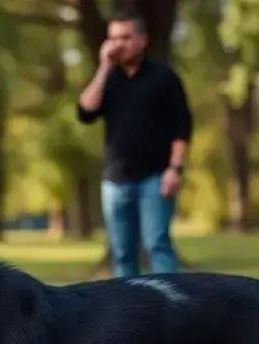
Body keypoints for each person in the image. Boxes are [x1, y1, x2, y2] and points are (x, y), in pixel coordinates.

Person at [77, 9, 192, 277]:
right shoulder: (108, 79)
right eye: (114, 38)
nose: (119, 44)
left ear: (143, 40)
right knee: (122, 252)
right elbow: (84, 112)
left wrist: (174, 169)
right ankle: (128, 316)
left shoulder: (164, 77)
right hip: (115, 181)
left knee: (157, 245)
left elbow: (182, 126)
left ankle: (174, 313)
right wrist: (104, 68)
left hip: (155, 178)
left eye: (126, 37)